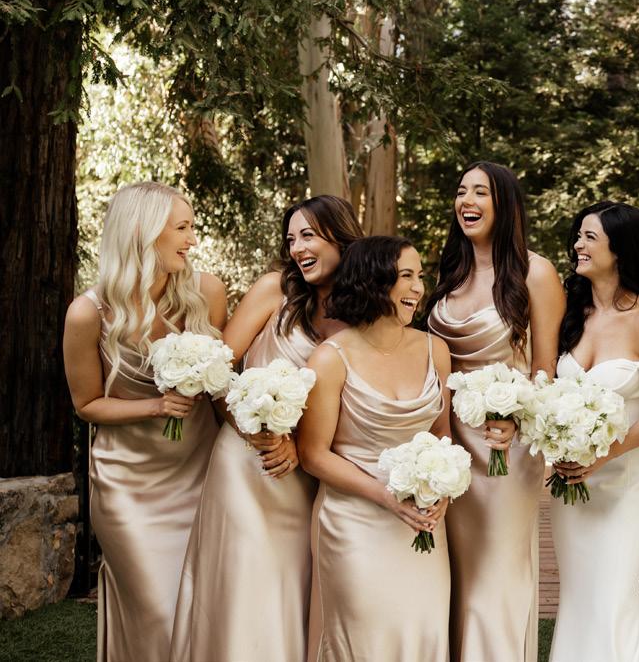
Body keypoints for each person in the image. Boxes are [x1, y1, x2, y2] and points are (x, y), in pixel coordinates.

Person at [171, 195, 362, 662]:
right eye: (291, 239)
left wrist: (301, 445)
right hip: (245, 464)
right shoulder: (275, 289)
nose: (297, 248)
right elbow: (217, 371)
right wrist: (253, 430)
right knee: (243, 583)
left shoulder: (365, 309)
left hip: (306, 473)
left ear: (341, 237)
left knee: (291, 585)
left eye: (308, 236)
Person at [62, 182, 227, 661]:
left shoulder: (206, 293)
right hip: (128, 483)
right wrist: (156, 407)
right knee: (157, 610)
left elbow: (222, 385)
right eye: (182, 228)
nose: (192, 240)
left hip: (199, 472)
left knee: (199, 605)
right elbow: (87, 404)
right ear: (143, 232)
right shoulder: (87, 313)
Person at [425, 162, 564, 661]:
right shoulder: (449, 272)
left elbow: (545, 366)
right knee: (454, 577)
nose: (467, 201)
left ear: (505, 204)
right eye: (462, 191)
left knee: (494, 577)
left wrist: (516, 416)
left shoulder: (535, 273)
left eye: (480, 192)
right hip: (447, 443)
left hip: (507, 444)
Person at [298, 235, 453, 661]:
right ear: (373, 280)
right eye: (406, 276)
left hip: (422, 523)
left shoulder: (435, 350)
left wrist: (442, 489)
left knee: (421, 630)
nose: (418, 287)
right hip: (355, 524)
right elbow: (313, 454)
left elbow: (442, 433)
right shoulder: (330, 358)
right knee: (363, 639)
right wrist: (385, 496)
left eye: (420, 276)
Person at [547, 201, 639, 662]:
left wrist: (605, 453)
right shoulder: (571, 313)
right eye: (578, 236)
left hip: (626, 481)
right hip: (570, 484)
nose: (578, 246)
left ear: (620, 250)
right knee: (581, 598)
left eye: (590, 237)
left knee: (613, 598)